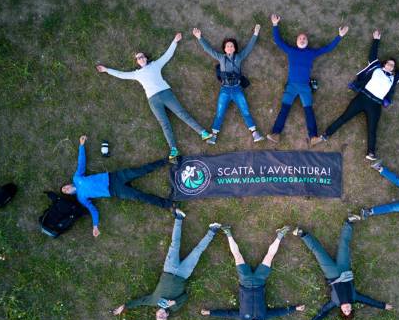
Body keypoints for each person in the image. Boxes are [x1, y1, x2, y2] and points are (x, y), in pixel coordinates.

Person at [96, 33, 212, 162]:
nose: (141, 58)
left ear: (146, 58)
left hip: (166, 93)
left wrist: (175, 41)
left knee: (182, 113)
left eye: (142, 56)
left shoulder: (155, 65)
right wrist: (107, 70)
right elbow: (121, 75)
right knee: (164, 124)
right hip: (153, 100)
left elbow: (167, 55)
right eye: (138, 58)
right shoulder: (136, 74)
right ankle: (173, 149)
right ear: (137, 62)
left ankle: (203, 133)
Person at [311, 30, 399, 161]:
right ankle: (323, 137)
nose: (390, 65)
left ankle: (371, 152)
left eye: (392, 65)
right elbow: (372, 56)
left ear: (393, 68)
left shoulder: (394, 78)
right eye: (388, 63)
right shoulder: (376, 68)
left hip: (375, 105)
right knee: (344, 118)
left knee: (372, 129)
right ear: (384, 64)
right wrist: (376, 40)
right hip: (362, 98)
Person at [112, 209, 221, 320]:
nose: (161, 315)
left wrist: (124, 306)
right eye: (163, 317)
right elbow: (185, 296)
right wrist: (175, 302)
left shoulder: (153, 301)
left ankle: (179, 218)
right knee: (197, 251)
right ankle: (212, 230)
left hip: (169, 268)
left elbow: (139, 301)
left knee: (174, 244)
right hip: (184, 274)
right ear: (167, 315)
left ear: (156, 313)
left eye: (159, 316)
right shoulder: (175, 307)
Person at [200, 225, 305, 320]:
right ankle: (280, 235)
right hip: (260, 281)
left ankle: (228, 232)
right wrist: (295, 308)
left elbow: (227, 314)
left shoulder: (241, 316)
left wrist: (209, 312)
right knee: (269, 257)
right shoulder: (264, 316)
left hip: (245, 281)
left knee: (237, 256)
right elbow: (279, 312)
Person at [61, 135, 174, 238]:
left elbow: (81, 163)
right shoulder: (81, 198)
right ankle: (168, 204)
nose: (66, 189)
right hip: (114, 190)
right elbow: (93, 210)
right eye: (65, 191)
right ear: (68, 194)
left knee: (142, 170)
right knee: (140, 196)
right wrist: (95, 226)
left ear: (67, 184)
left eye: (64, 187)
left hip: (115, 177)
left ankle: (169, 159)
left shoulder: (77, 178)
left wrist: (81, 146)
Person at [293, 216, 393, 320]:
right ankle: (348, 223)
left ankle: (302, 234)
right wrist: (383, 306)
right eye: (349, 309)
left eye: (345, 311)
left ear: (341, 310)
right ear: (352, 307)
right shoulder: (354, 297)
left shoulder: (334, 302)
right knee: (344, 246)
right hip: (344, 268)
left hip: (330, 272)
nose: (347, 309)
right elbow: (369, 301)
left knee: (318, 252)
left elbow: (323, 312)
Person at [266, 14, 349, 145]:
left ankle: (313, 137)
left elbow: (328, 48)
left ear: (307, 42)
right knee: (284, 109)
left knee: (309, 111)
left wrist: (340, 36)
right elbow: (278, 41)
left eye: (304, 38)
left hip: (305, 87)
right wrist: (275, 25)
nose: (302, 39)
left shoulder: (311, 53)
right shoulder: (291, 50)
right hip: (291, 86)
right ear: (296, 41)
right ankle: (276, 134)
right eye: (300, 38)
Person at [192, 25, 265, 144]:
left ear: (235, 48)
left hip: (237, 89)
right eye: (227, 46)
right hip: (225, 90)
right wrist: (200, 38)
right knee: (220, 113)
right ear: (224, 49)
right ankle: (213, 136)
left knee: (245, 111)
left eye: (232, 46)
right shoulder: (221, 58)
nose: (230, 47)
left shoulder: (239, 57)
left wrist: (255, 34)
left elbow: (249, 48)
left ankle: (255, 133)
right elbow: (209, 50)